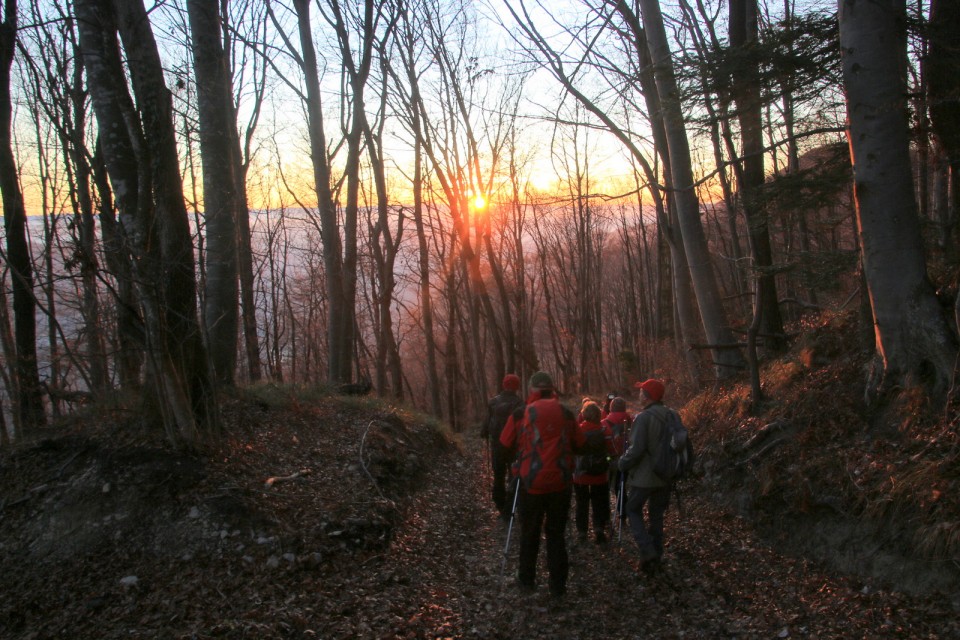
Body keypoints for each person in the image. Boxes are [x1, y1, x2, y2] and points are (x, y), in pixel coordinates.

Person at [500, 371, 584, 597]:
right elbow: (580, 443)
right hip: (560, 484)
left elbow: (504, 442)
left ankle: (526, 580)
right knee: (556, 534)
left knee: (529, 532)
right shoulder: (566, 413)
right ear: (552, 388)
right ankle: (558, 585)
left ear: (532, 390)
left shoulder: (520, 413)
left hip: (531, 484)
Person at [618, 378, 673, 574]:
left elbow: (636, 449)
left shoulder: (643, 418)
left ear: (648, 396)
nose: (639, 394)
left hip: (645, 476)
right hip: (666, 474)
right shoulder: (671, 415)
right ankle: (656, 555)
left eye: (642, 391)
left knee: (632, 509)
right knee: (656, 515)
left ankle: (647, 550)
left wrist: (622, 463)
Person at [481, 374, 524, 521]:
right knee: (514, 476)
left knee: (498, 476)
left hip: (497, 445)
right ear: (516, 387)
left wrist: (485, 433)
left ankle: (500, 504)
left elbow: (487, 423)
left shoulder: (493, 402)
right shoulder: (520, 404)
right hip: (514, 446)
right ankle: (511, 507)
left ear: (504, 385)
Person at [573, 401, 615, 545]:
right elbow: (611, 452)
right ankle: (599, 529)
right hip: (600, 474)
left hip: (580, 475)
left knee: (581, 503)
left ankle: (582, 532)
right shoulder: (604, 430)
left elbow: (573, 451)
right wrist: (608, 460)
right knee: (599, 502)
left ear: (583, 414)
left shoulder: (578, 430)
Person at [602, 397, 632, 529]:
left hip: (611, 461)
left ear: (611, 408)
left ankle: (608, 518)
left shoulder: (604, 423)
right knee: (622, 487)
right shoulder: (632, 421)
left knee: (610, 489)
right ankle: (625, 515)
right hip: (630, 459)